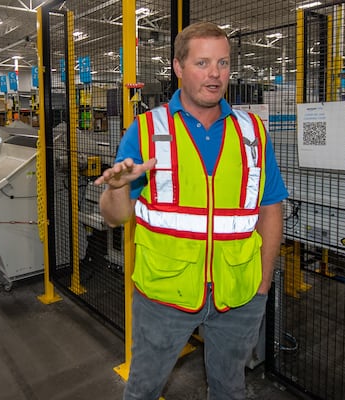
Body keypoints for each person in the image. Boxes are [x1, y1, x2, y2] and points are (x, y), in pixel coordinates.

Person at [95, 21, 289, 400]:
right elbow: (114, 217)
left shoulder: (252, 132)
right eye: (202, 63)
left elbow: (270, 208)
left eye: (223, 63)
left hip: (238, 296)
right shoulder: (147, 130)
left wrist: (263, 285)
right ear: (178, 68)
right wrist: (118, 188)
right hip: (164, 297)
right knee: (143, 389)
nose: (215, 74)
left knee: (230, 389)